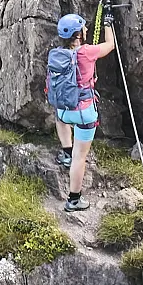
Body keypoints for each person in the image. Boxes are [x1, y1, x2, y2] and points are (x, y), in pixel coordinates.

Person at [49, 12, 116, 212]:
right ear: (78, 34)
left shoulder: (56, 54)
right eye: (84, 27)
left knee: (59, 119)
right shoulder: (87, 52)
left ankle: (66, 152)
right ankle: (74, 199)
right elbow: (110, 45)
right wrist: (108, 24)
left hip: (63, 112)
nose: (86, 29)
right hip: (84, 113)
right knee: (81, 157)